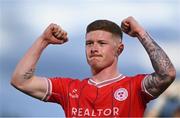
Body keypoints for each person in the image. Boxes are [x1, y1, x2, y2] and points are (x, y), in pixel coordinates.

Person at [11, 16, 176, 117]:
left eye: (102, 43)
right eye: (89, 43)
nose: (94, 48)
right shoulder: (69, 89)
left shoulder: (134, 87)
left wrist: (140, 32)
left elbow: (167, 74)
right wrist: (43, 40)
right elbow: (20, 81)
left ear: (119, 49)